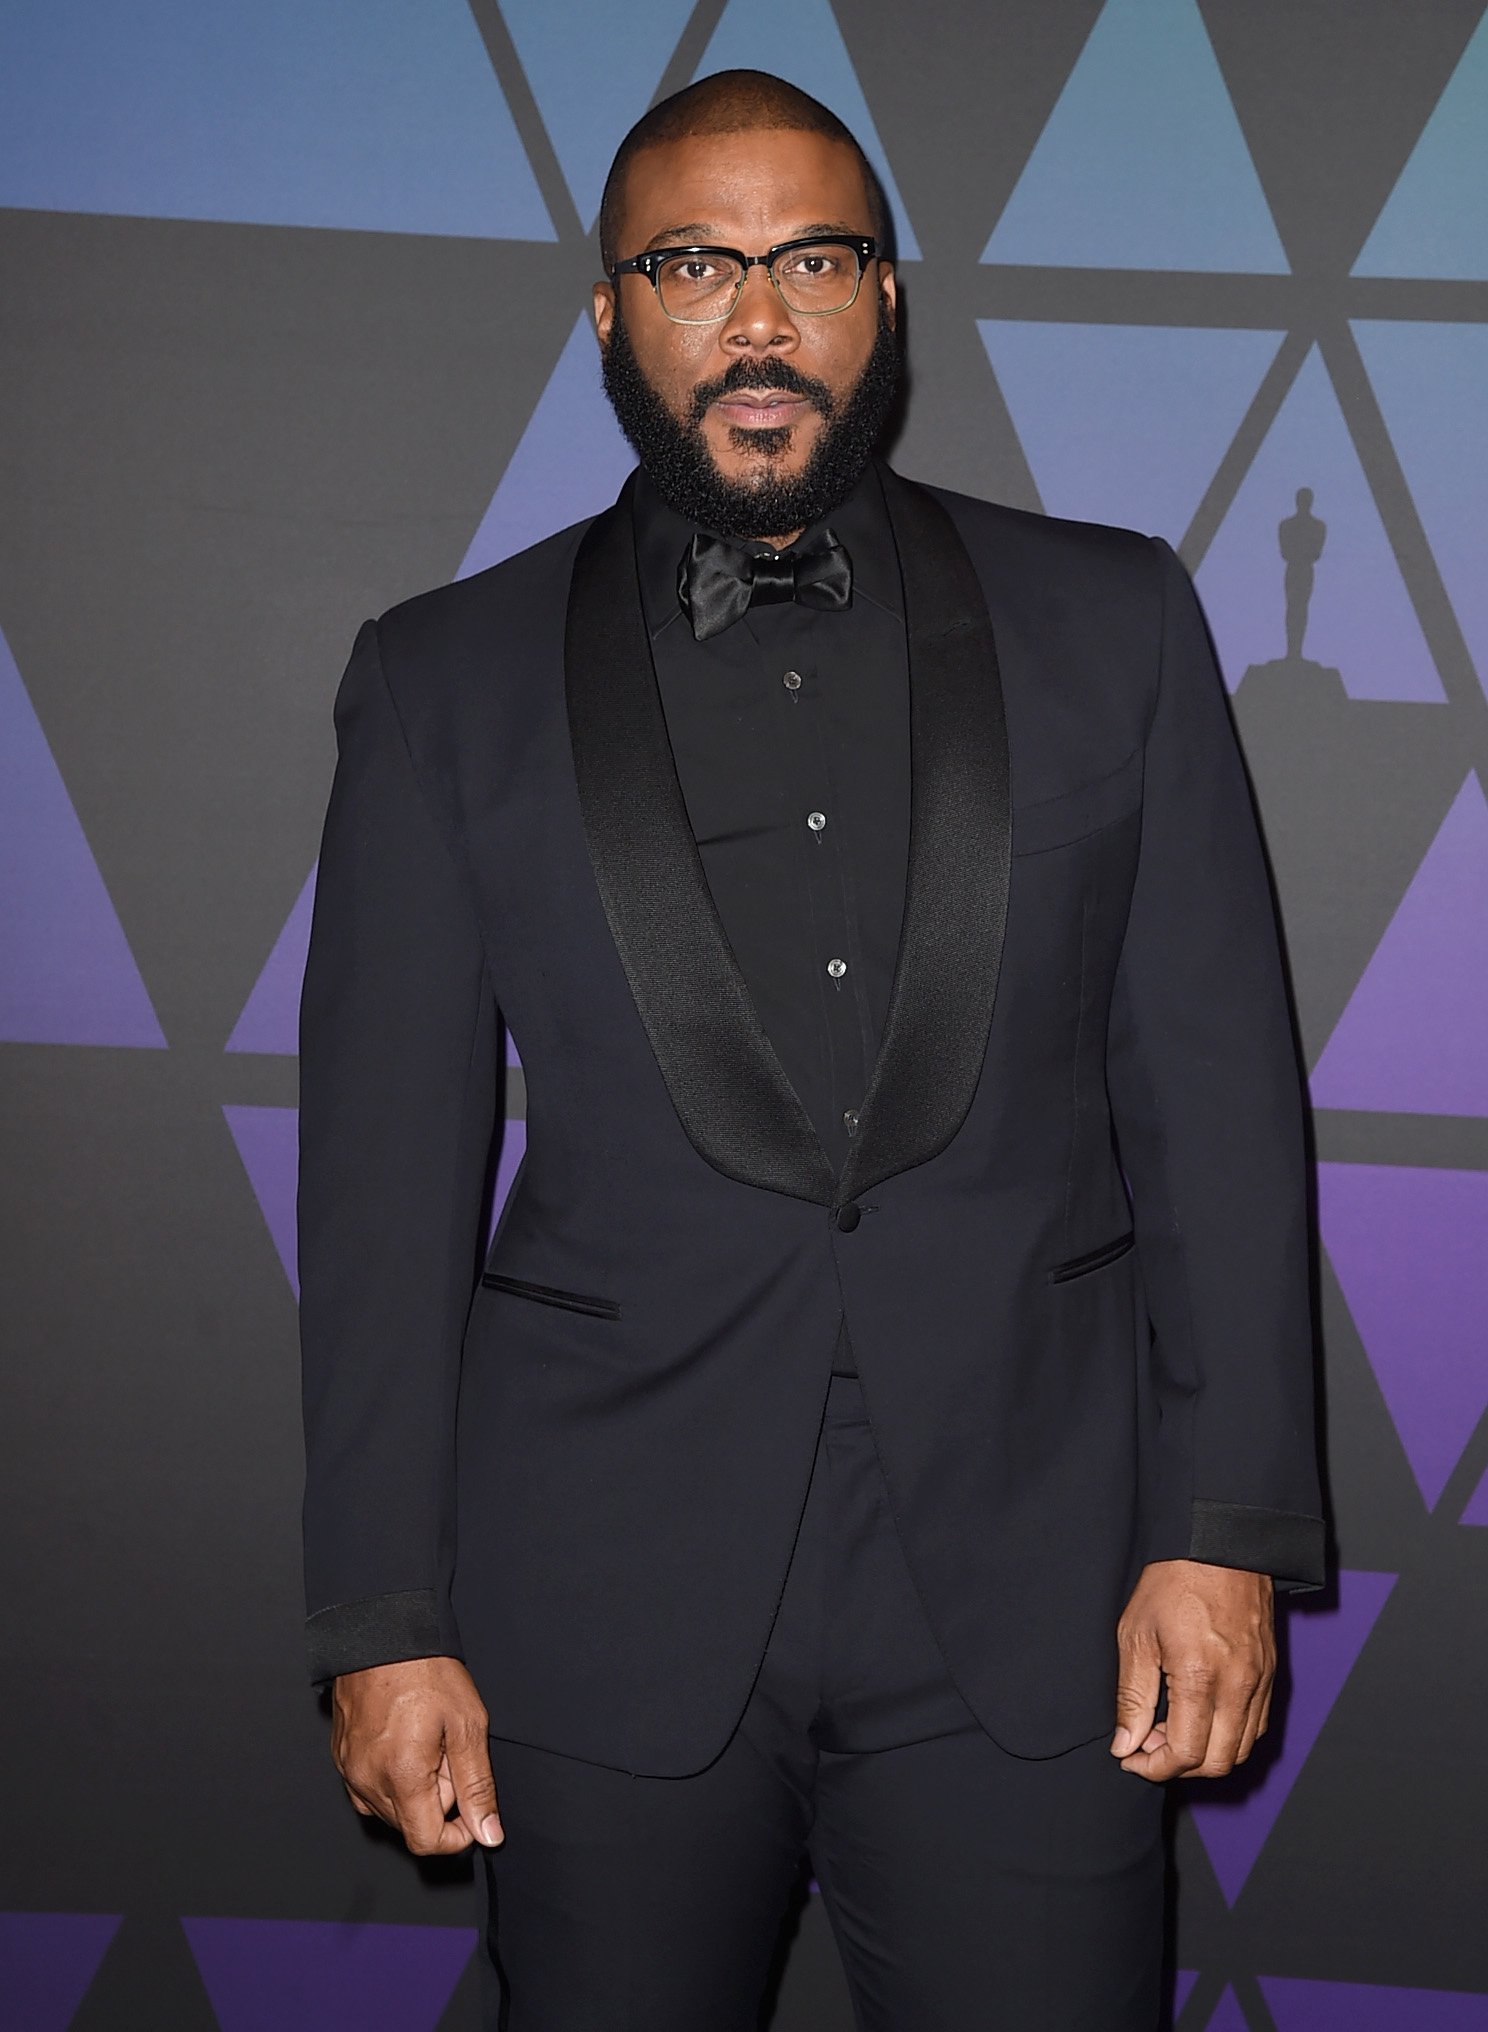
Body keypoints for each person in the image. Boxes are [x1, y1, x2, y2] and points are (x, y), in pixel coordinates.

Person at [298, 70, 1326, 2031]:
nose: (757, 320)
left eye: (811, 261)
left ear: (885, 298)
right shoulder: (442, 679)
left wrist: (1229, 1531)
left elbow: (1213, 1101)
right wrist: (379, 1617)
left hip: (1043, 1594)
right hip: (593, 1605)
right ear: (612, 310)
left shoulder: (1118, 621)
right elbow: (377, 1188)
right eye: (696, 262)